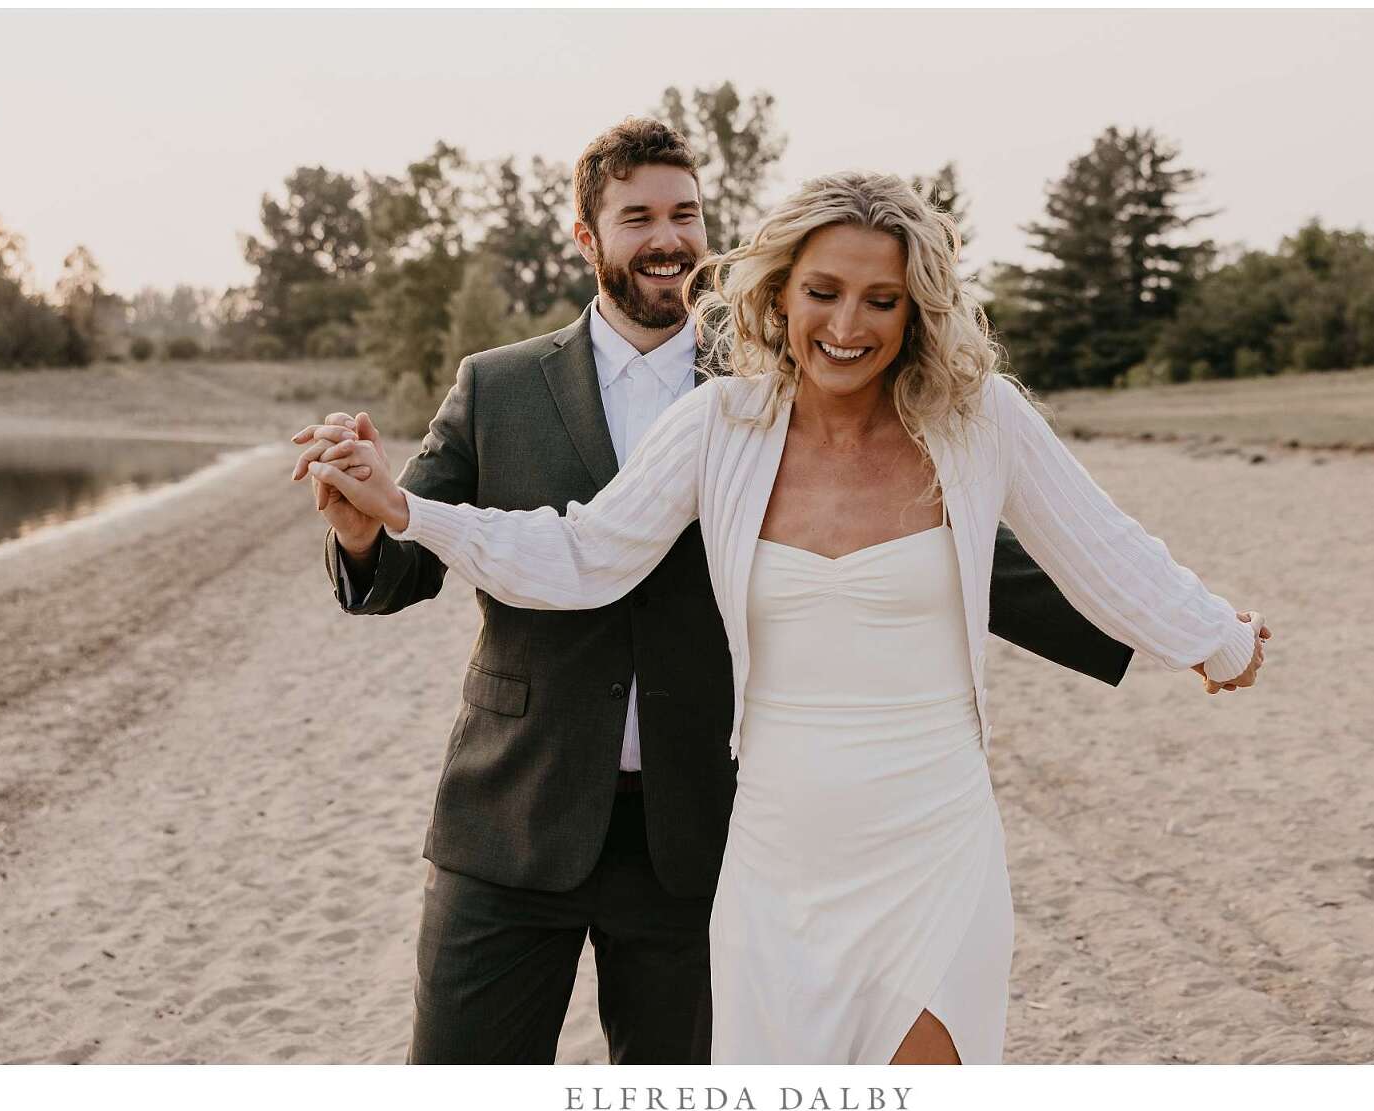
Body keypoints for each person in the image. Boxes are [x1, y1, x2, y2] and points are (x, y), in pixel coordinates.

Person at [301, 167, 1270, 1065]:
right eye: (824, 292)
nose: (849, 324)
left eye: (880, 300)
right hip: (772, 845)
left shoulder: (979, 424)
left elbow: (1098, 546)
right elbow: (582, 552)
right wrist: (405, 511)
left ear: (916, 309)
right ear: (779, 294)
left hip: (932, 836)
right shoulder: (723, 424)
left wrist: (1213, 639)